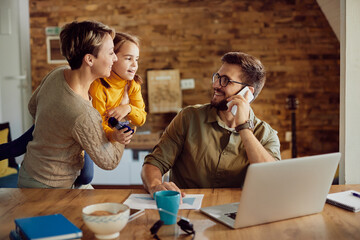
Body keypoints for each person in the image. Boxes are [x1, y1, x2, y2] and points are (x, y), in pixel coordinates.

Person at [141, 51, 281, 197]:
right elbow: (154, 162)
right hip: (186, 209)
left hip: (234, 212)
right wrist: (155, 185)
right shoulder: (188, 118)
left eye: (225, 80)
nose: (215, 85)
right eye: (217, 77)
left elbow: (272, 179)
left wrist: (244, 127)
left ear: (247, 92)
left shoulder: (266, 134)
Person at [17, 20, 133, 189]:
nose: (115, 59)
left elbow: (32, 107)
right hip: (49, 188)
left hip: (29, 172)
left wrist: (56, 132)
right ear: (89, 60)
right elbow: (110, 161)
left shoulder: (57, 73)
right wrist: (121, 122)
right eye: (110, 53)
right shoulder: (82, 113)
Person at [89, 32, 146, 140]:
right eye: (128, 58)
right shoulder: (98, 86)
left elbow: (141, 119)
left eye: (136, 59)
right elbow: (97, 126)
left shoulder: (133, 84)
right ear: (112, 57)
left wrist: (128, 108)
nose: (135, 65)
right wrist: (113, 135)